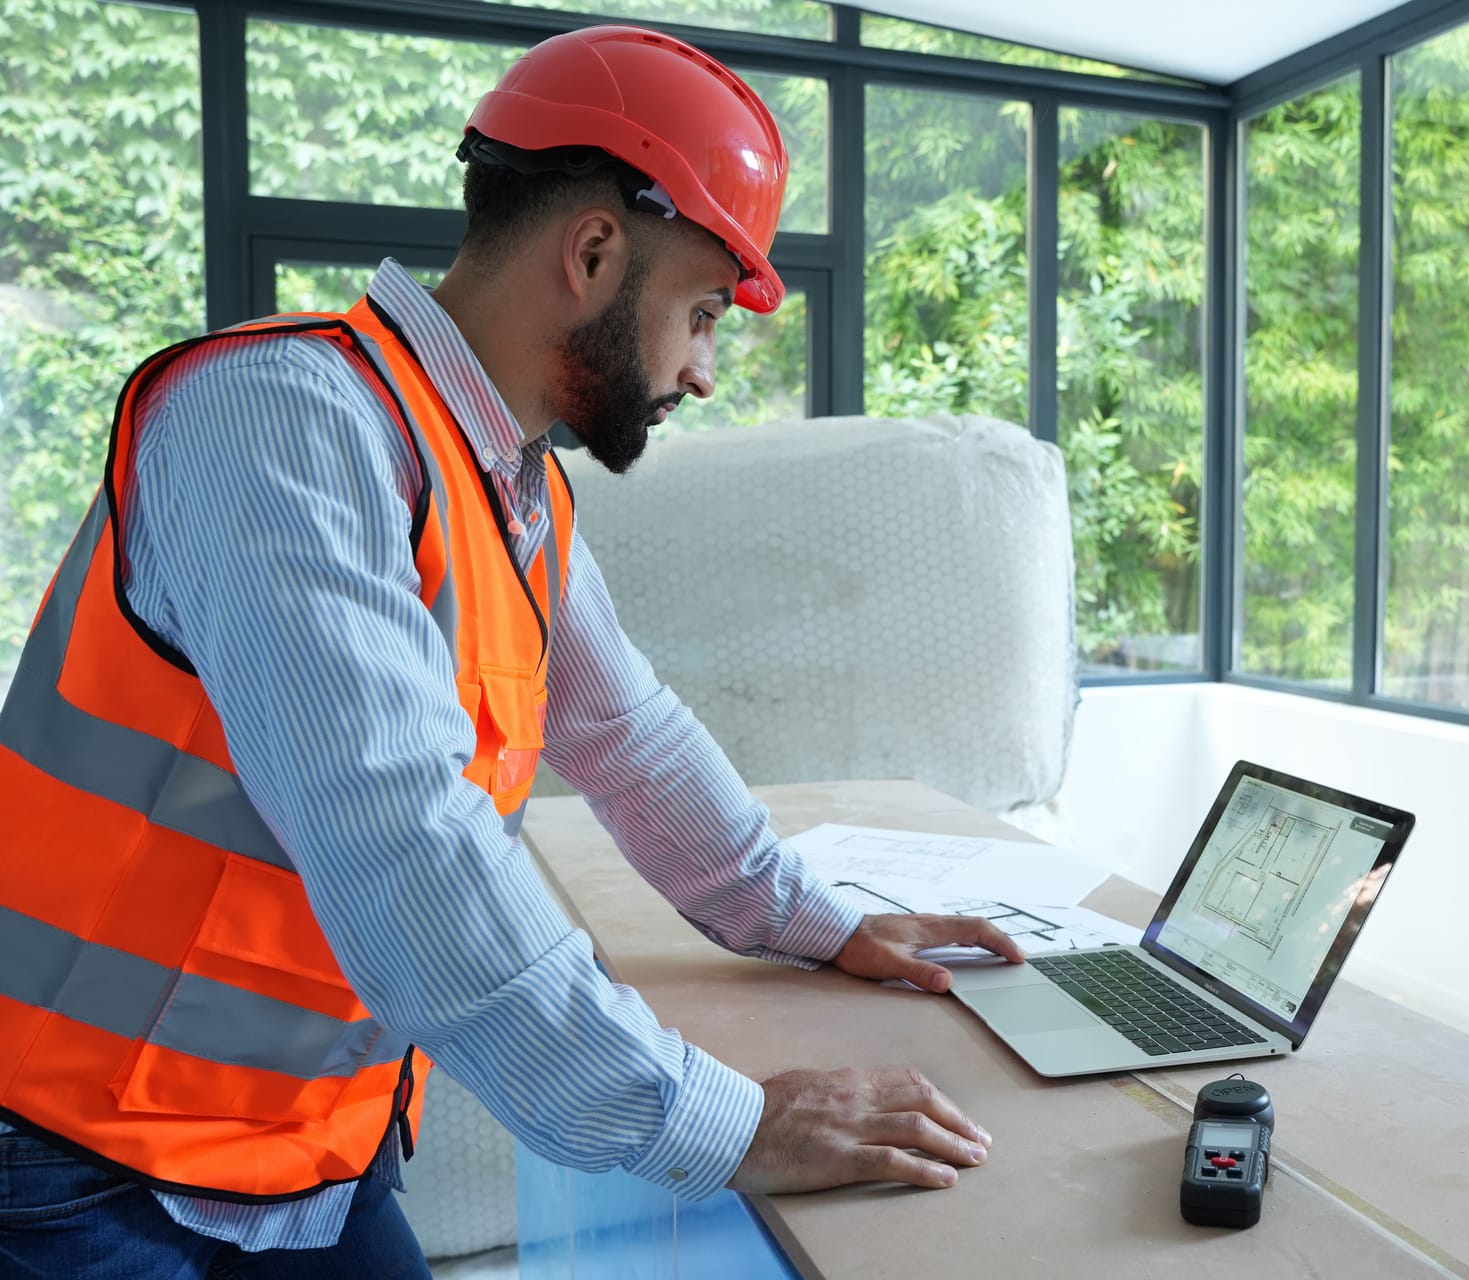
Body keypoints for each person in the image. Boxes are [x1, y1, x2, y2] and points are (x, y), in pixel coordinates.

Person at [0, 24, 1022, 1278]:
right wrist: (733, 1122)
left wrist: (820, 922)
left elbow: (628, 734)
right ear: (594, 251)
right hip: (77, 1162)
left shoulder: (508, 489)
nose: (703, 371)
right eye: (700, 312)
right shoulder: (282, 423)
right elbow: (401, 840)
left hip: (301, 1145)